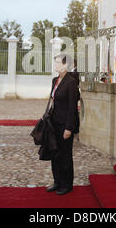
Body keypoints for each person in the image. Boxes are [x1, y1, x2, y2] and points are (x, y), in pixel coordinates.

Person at [46, 54, 79, 196]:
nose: (56, 65)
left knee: (65, 155)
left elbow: (72, 107)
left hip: (65, 124)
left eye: (59, 62)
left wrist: (69, 128)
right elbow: (54, 101)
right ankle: (57, 181)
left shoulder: (71, 82)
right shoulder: (55, 80)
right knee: (54, 153)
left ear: (66, 65)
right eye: (55, 62)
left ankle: (67, 184)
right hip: (53, 123)